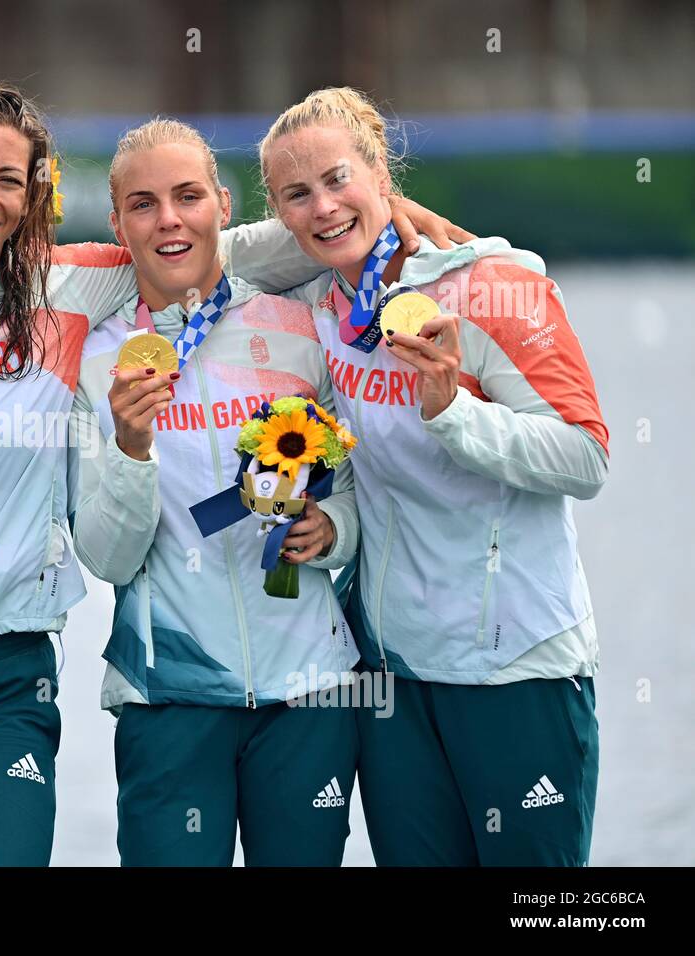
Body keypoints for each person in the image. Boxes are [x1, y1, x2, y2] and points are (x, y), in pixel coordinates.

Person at [0, 81, 469, 866]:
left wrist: (381, 209)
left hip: (14, 672)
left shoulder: (64, 289)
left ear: (34, 197)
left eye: (10, 180)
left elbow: (215, 247)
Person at [253, 88, 607, 866]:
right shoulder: (319, 304)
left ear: (384, 174)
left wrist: (453, 412)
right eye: (296, 195)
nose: (322, 208)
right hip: (394, 677)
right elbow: (367, 483)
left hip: (516, 665)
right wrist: (335, 526)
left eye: (339, 179)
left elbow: (586, 456)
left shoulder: (493, 285)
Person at [71, 118, 360, 866]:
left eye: (187, 195)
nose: (169, 219)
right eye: (143, 203)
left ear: (224, 208)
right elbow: (106, 558)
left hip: (310, 695)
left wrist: (333, 530)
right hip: (169, 699)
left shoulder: (300, 327)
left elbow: (360, 489)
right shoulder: (92, 362)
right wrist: (132, 449)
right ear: (117, 224)